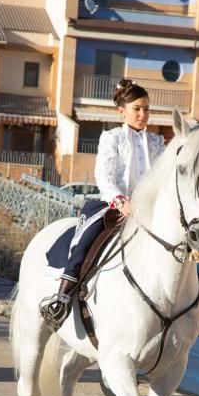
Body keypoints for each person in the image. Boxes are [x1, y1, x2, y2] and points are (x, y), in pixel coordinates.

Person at [41, 78, 166, 328]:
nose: (143, 114)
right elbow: (104, 176)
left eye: (146, 109)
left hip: (149, 211)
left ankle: (194, 308)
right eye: (137, 109)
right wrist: (121, 201)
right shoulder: (112, 138)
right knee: (89, 234)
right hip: (114, 206)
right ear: (122, 111)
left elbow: (162, 177)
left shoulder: (157, 142)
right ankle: (64, 293)